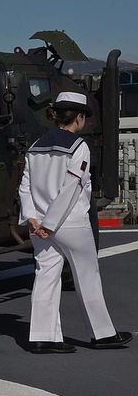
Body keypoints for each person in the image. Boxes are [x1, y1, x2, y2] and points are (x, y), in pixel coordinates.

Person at [17, 91, 131, 353]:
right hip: (69, 224)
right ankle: (102, 334)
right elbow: (71, 188)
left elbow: (25, 186)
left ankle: (43, 337)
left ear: (56, 116)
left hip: (39, 225)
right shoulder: (79, 147)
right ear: (78, 117)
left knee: (45, 276)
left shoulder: (35, 147)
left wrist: (34, 220)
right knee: (87, 275)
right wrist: (52, 223)